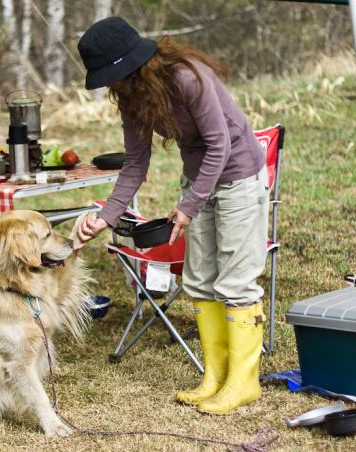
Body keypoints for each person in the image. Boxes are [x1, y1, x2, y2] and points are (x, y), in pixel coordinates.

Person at [76, 17, 270, 414]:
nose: (111, 87)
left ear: (130, 64)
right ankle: (215, 376)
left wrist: (188, 206)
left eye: (111, 76)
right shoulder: (132, 96)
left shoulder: (187, 78)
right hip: (198, 180)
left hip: (238, 177)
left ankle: (243, 381)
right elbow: (135, 163)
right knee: (199, 281)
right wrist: (106, 217)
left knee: (235, 283)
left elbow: (219, 146)